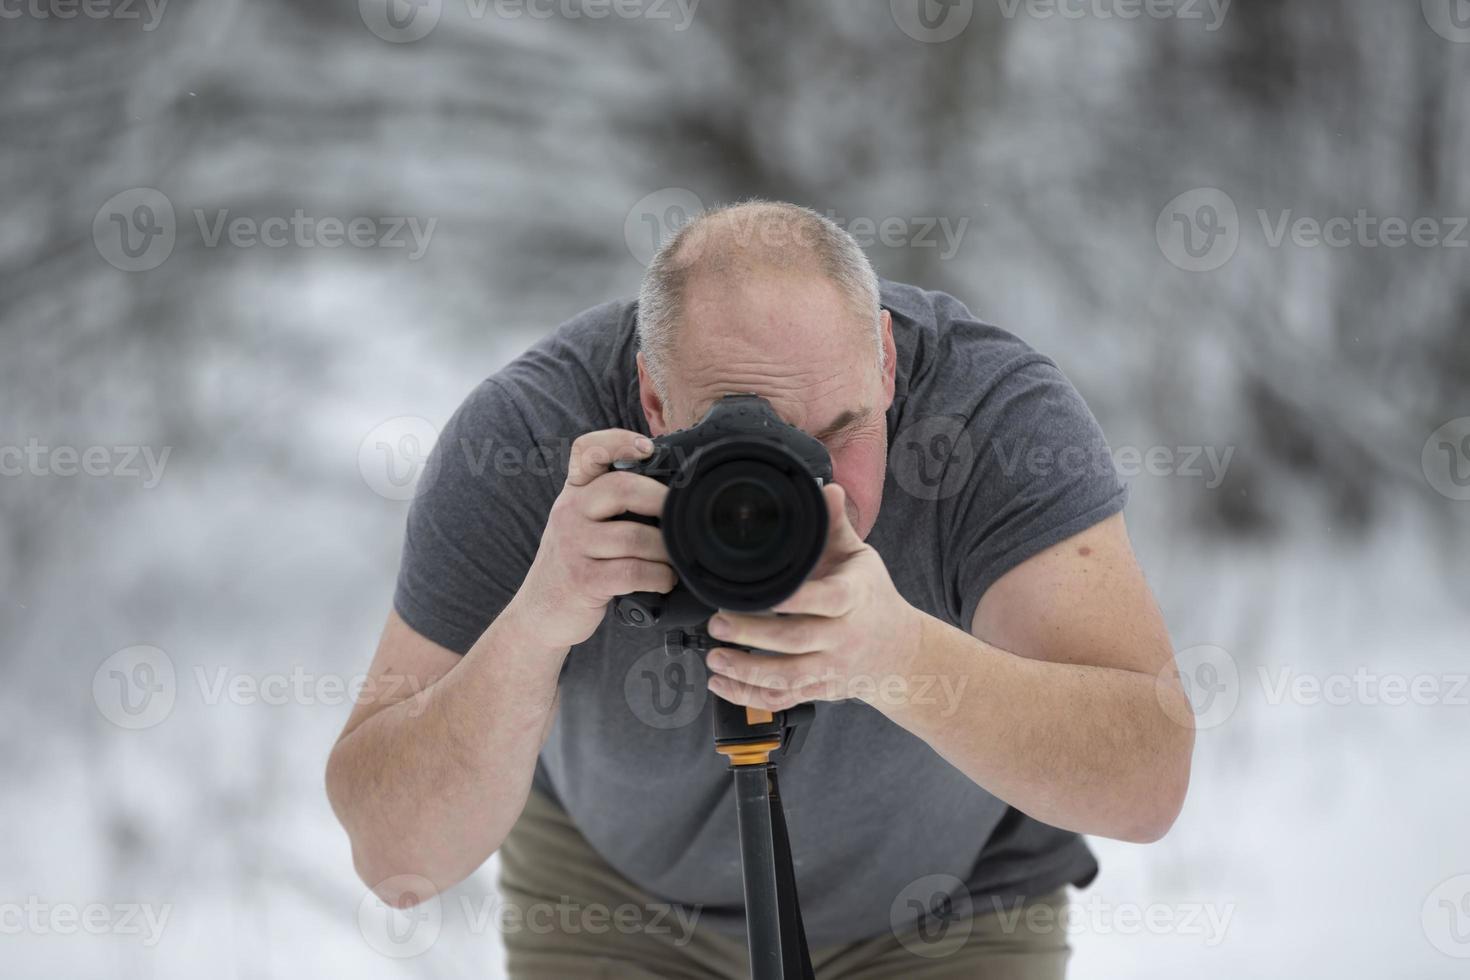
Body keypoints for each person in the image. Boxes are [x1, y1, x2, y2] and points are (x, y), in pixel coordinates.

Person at [326, 200, 1193, 978]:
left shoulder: (990, 419)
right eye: (749, 445)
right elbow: (396, 857)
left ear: (887, 362)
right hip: (617, 896)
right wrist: (538, 622)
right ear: (653, 402)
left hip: (947, 896)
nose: (812, 489)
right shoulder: (530, 439)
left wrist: (899, 656)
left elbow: (1148, 780)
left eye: (842, 431)